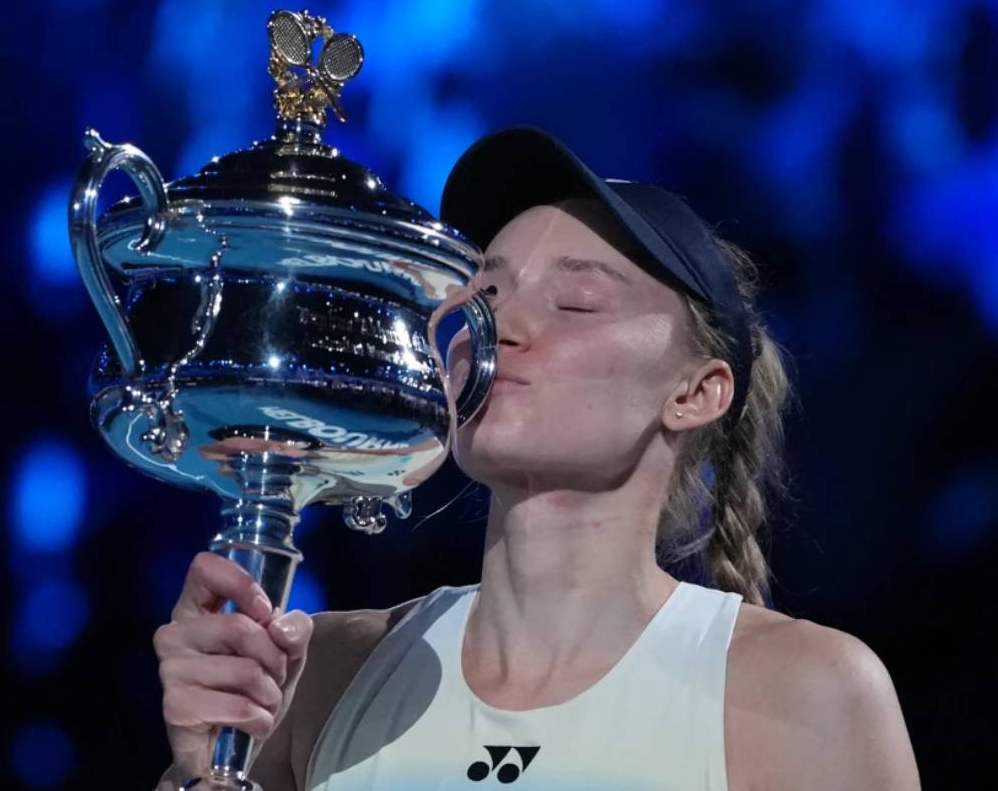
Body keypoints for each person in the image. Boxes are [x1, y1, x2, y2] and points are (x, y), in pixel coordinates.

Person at [152, 127, 921, 790]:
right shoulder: (320, 673)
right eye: (484, 295)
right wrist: (201, 762)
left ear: (696, 392)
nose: (500, 327)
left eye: (577, 302)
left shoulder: (805, 693)